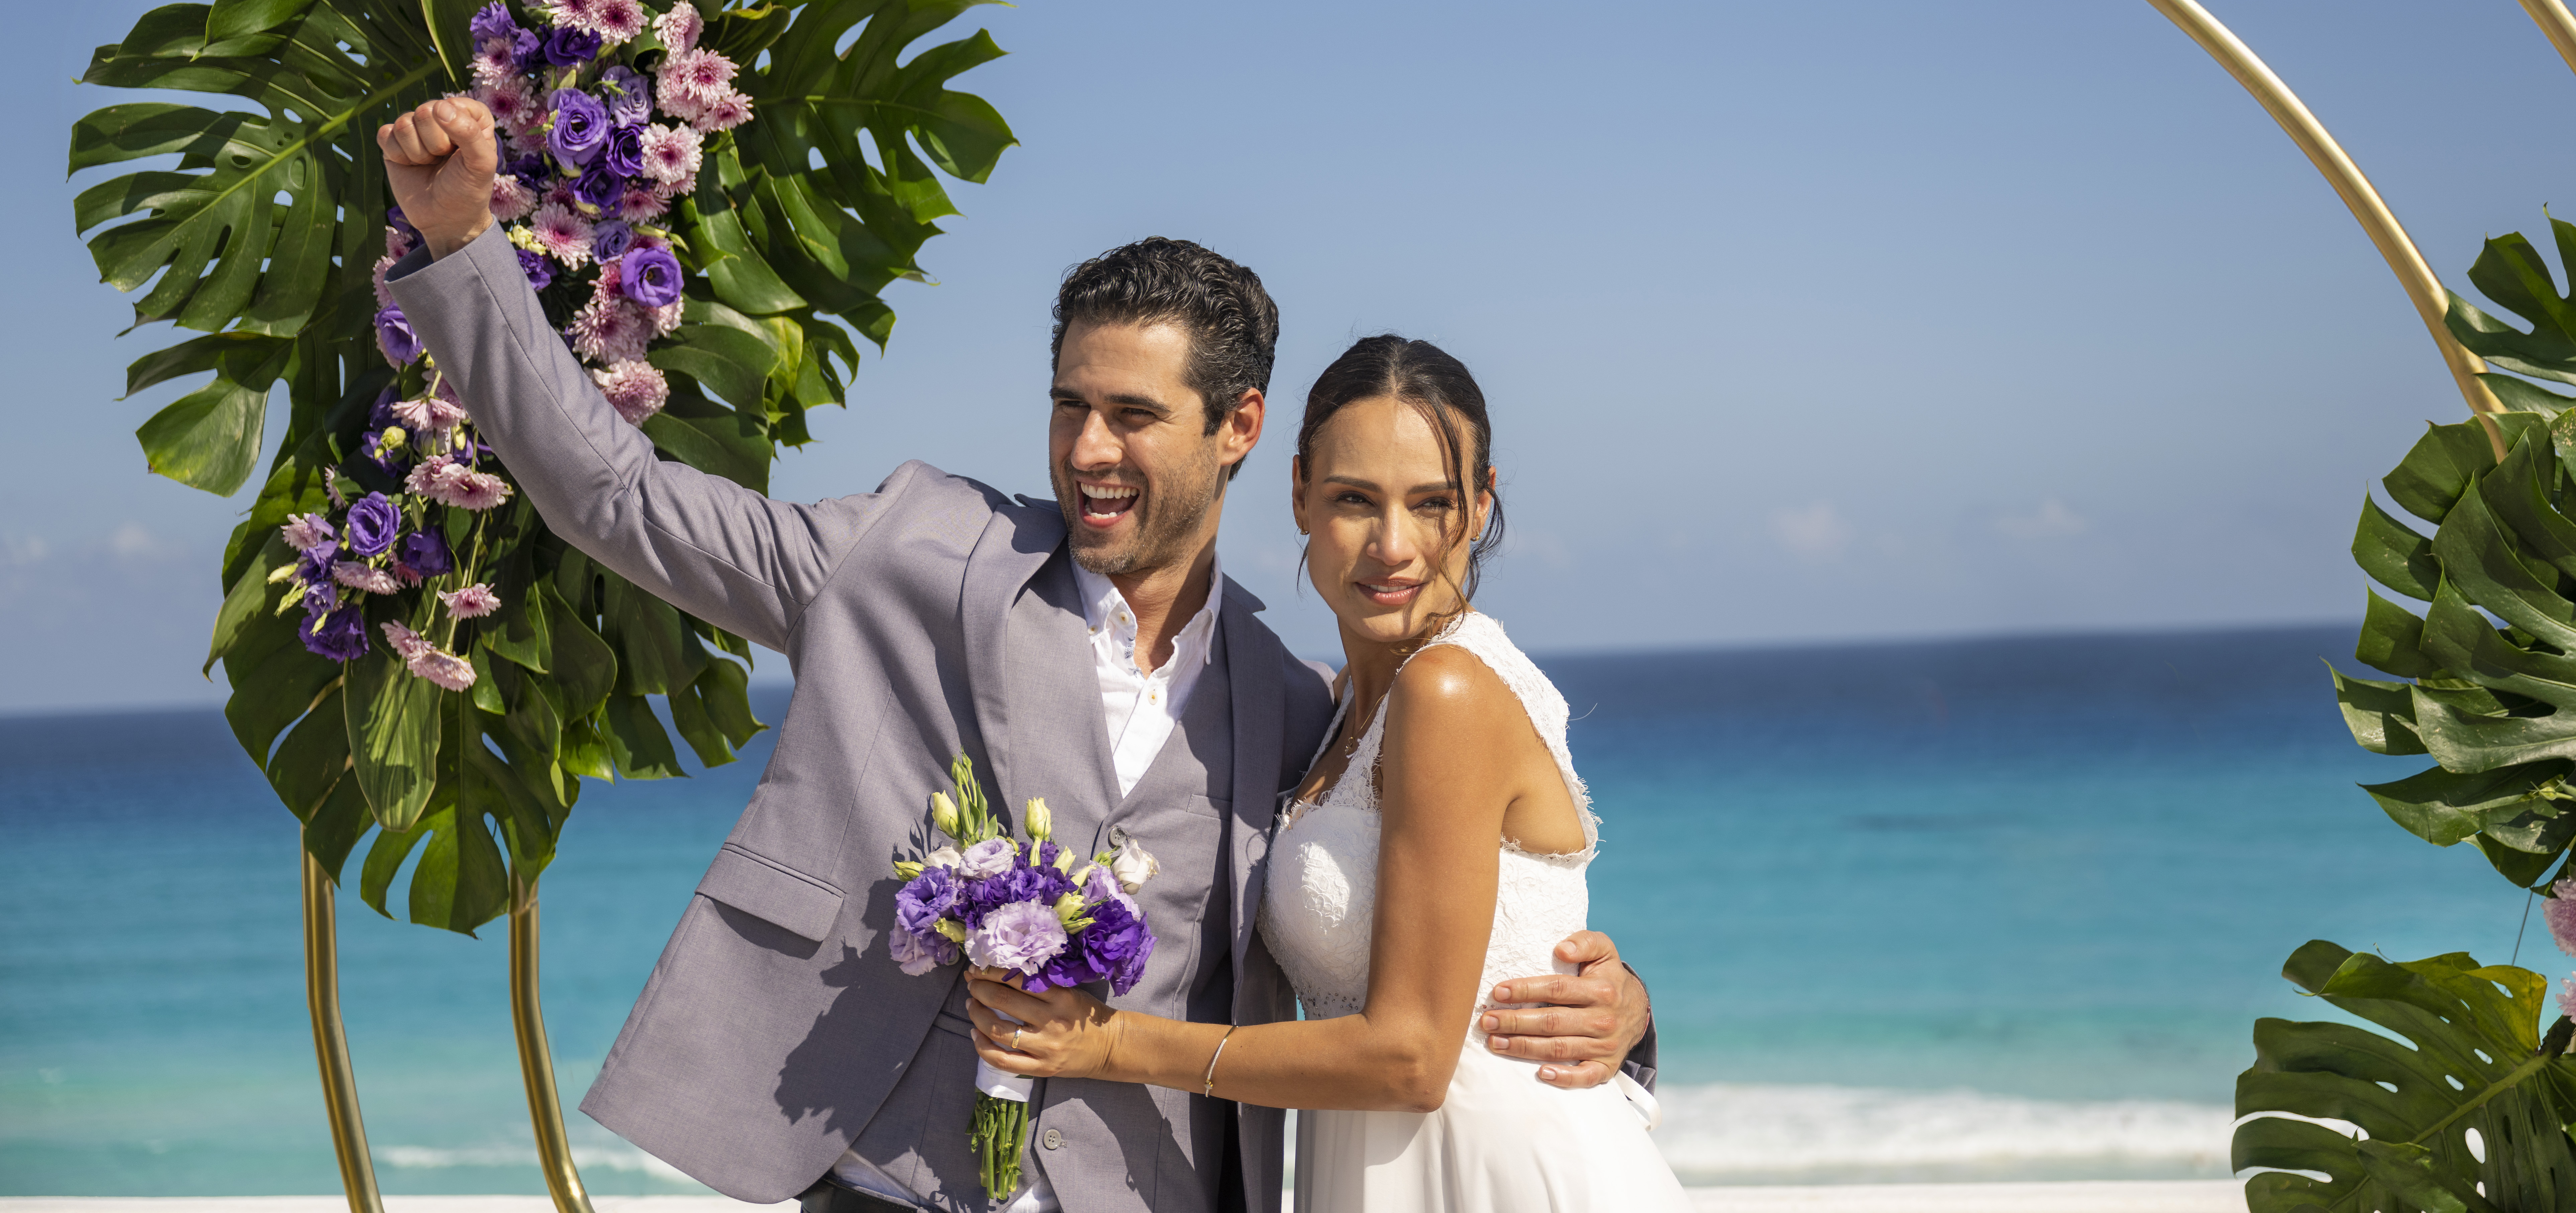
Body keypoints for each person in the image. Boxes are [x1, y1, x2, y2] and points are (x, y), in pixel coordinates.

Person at [371, 95, 1654, 1213]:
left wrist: (1626, 1014)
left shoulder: (1291, 699)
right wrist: (464, 249)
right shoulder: (912, 553)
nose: (1091, 450)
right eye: (1070, 406)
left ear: (1240, 429)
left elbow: (1418, 923)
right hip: (885, 1179)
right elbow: (622, 505)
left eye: (1135, 416)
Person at [966, 335, 1692, 1212]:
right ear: (1302, 491)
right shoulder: (1342, 706)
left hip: (1498, 1176)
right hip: (1381, 1169)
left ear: (1479, 504)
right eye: (1355, 500)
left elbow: (1413, 1058)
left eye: (1432, 503)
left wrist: (1108, 1045)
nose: (1394, 546)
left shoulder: (1449, 689)